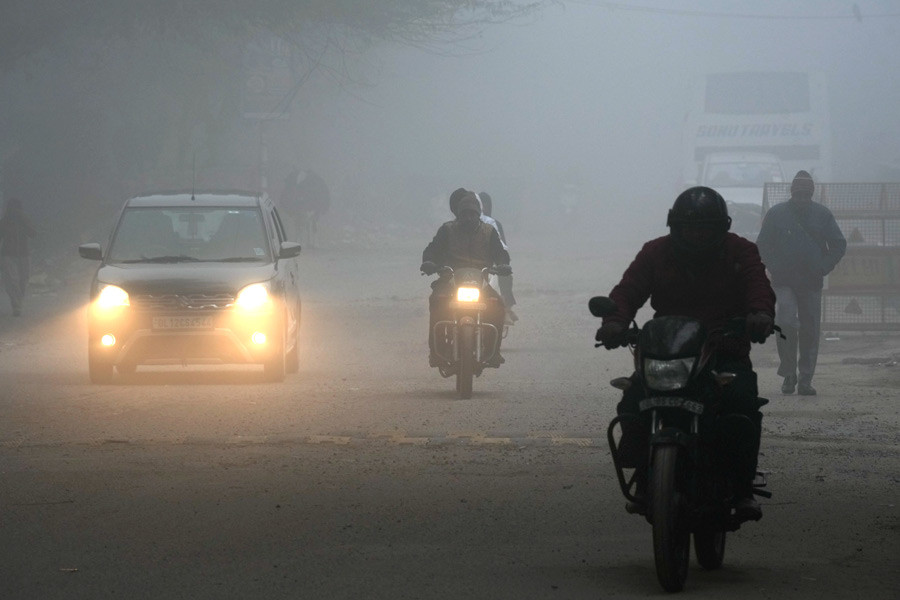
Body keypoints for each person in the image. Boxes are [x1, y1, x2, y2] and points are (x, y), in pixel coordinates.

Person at [596, 186, 775, 519]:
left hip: (723, 347)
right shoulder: (655, 253)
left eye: (706, 227)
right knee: (633, 398)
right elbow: (628, 290)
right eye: (690, 227)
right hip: (667, 348)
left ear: (721, 227)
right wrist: (614, 322)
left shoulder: (741, 251)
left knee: (742, 402)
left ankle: (741, 487)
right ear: (674, 226)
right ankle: (644, 474)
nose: (697, 234)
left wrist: (760, 314)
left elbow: (758, 286)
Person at [755, 170, 846, 396]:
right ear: (792, 194)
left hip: (811, 282)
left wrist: (823, 267)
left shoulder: (822, 215)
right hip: (783, 281)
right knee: (785, 321)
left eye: (806, 195)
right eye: (799, 195)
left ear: (812, 195)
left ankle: (805, 379)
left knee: (810, 329)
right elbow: (763, 244)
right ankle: (788, 373)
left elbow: (838, 244)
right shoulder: (777, 214)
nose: (802, 199)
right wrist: (774, 266)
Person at [421, 191, 510, 367]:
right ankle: (436, 352)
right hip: (450, 279)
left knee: (498, 306)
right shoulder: (447, 230)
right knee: (437, 302)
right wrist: (429, 262)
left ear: (478, 215)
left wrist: (503, 265)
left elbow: (500, 253)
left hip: (481, 279)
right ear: (458, 215)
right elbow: (432, 249)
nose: (468, 218)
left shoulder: (489, 231)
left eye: (472, 214)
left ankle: (493, 352)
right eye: (464, 214)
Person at [478, 192, 518, 325]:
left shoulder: (493, 224)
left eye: (485, 204)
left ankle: (506, 307)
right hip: (467, 265)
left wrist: (501, 262)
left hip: (489, 264)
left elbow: (502, 248)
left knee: (505, 274)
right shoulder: (457, 224)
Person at [0, 197, 36, 316]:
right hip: (8, 254)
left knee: (24, 279)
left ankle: (18, 300)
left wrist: (23, 220)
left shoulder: (24, 220)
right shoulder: (5, 221)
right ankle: (16, 304)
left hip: (24, 253)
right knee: (11, 280)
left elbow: (33, 233)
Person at [279, 167, 330, 248]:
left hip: (308, 206)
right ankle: (305, 242)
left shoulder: (313, 181)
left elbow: (323, 195)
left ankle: (306, 241)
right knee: (304, 224)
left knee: (307, 223)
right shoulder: (298, 179)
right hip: (303, 206)